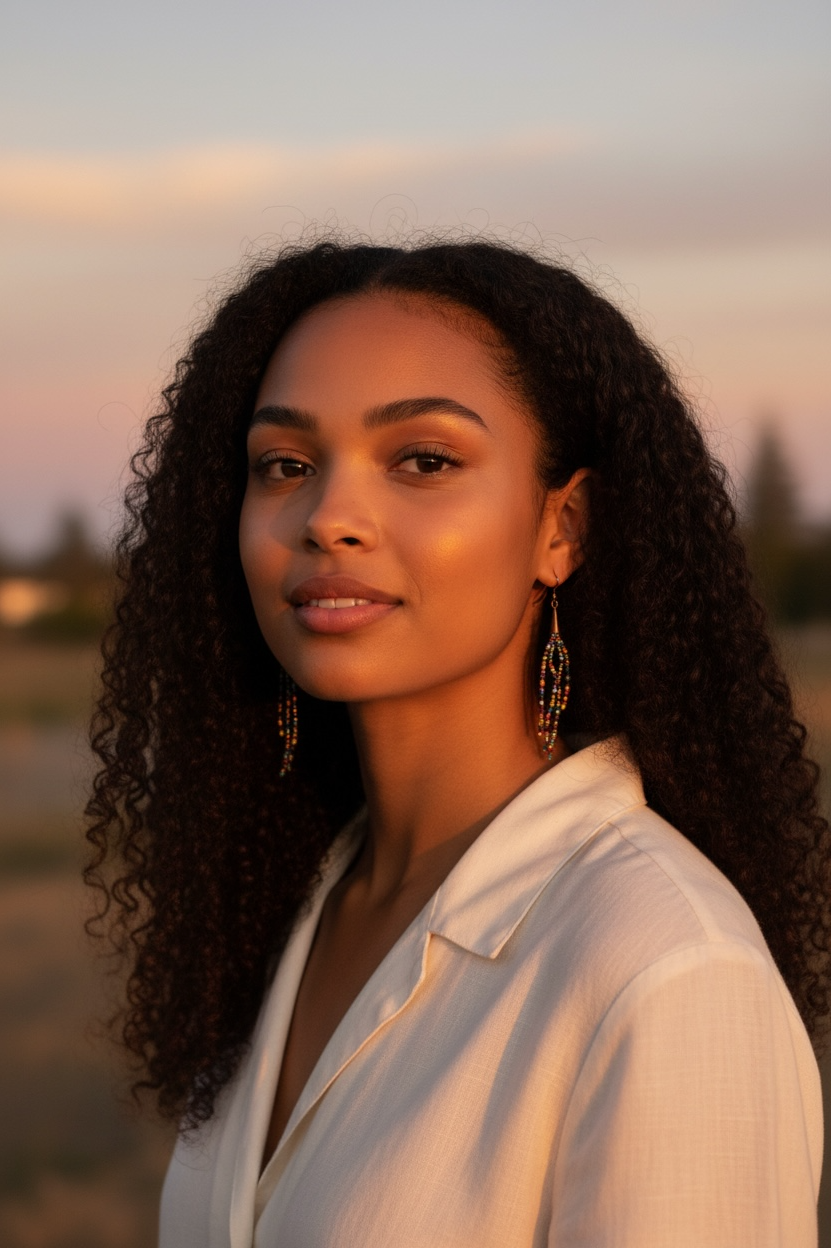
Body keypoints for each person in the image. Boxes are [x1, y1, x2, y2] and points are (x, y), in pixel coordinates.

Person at [85, 236, 829, 1246]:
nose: (328, 516)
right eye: (284, 464)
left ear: (560, 528)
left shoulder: (663, 968)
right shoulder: (303, 902)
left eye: (423, 460)